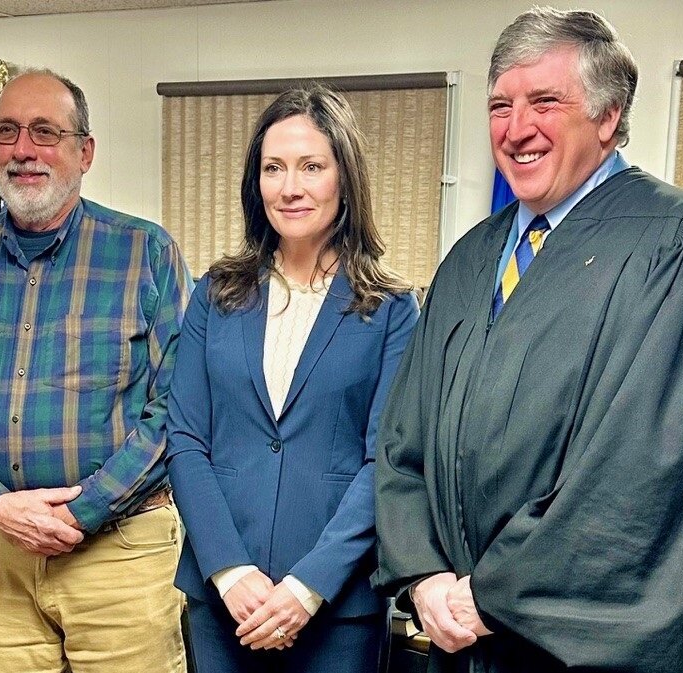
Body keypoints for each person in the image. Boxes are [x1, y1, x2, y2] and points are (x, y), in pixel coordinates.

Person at [373, 7, 683, 673]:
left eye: (544, 101)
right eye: (500, 105)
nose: (516, 128)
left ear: (608, 116)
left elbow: (645, 474)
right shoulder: (471, 258)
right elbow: (404, 439)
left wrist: (495, 592)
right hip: (455, 638)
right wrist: (425, 576)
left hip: (576, 650)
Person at [0, 68, 190, 673]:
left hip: (121, 554)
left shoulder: (144, 254)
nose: (23, 149)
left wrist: (79, 513)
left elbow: (177, 409)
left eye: (43, 132)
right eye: (6, 131)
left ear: (85, 152)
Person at [166, 85, 419, 673]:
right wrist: (230, 571)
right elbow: (185, 440)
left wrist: (308, 587)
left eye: (312, 166)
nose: (290, 187)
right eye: (273, 168)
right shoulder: (216, 294)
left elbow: (387, 460)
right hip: (225, 599)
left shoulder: (390, 310)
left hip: (336, 607)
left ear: (344, 177)